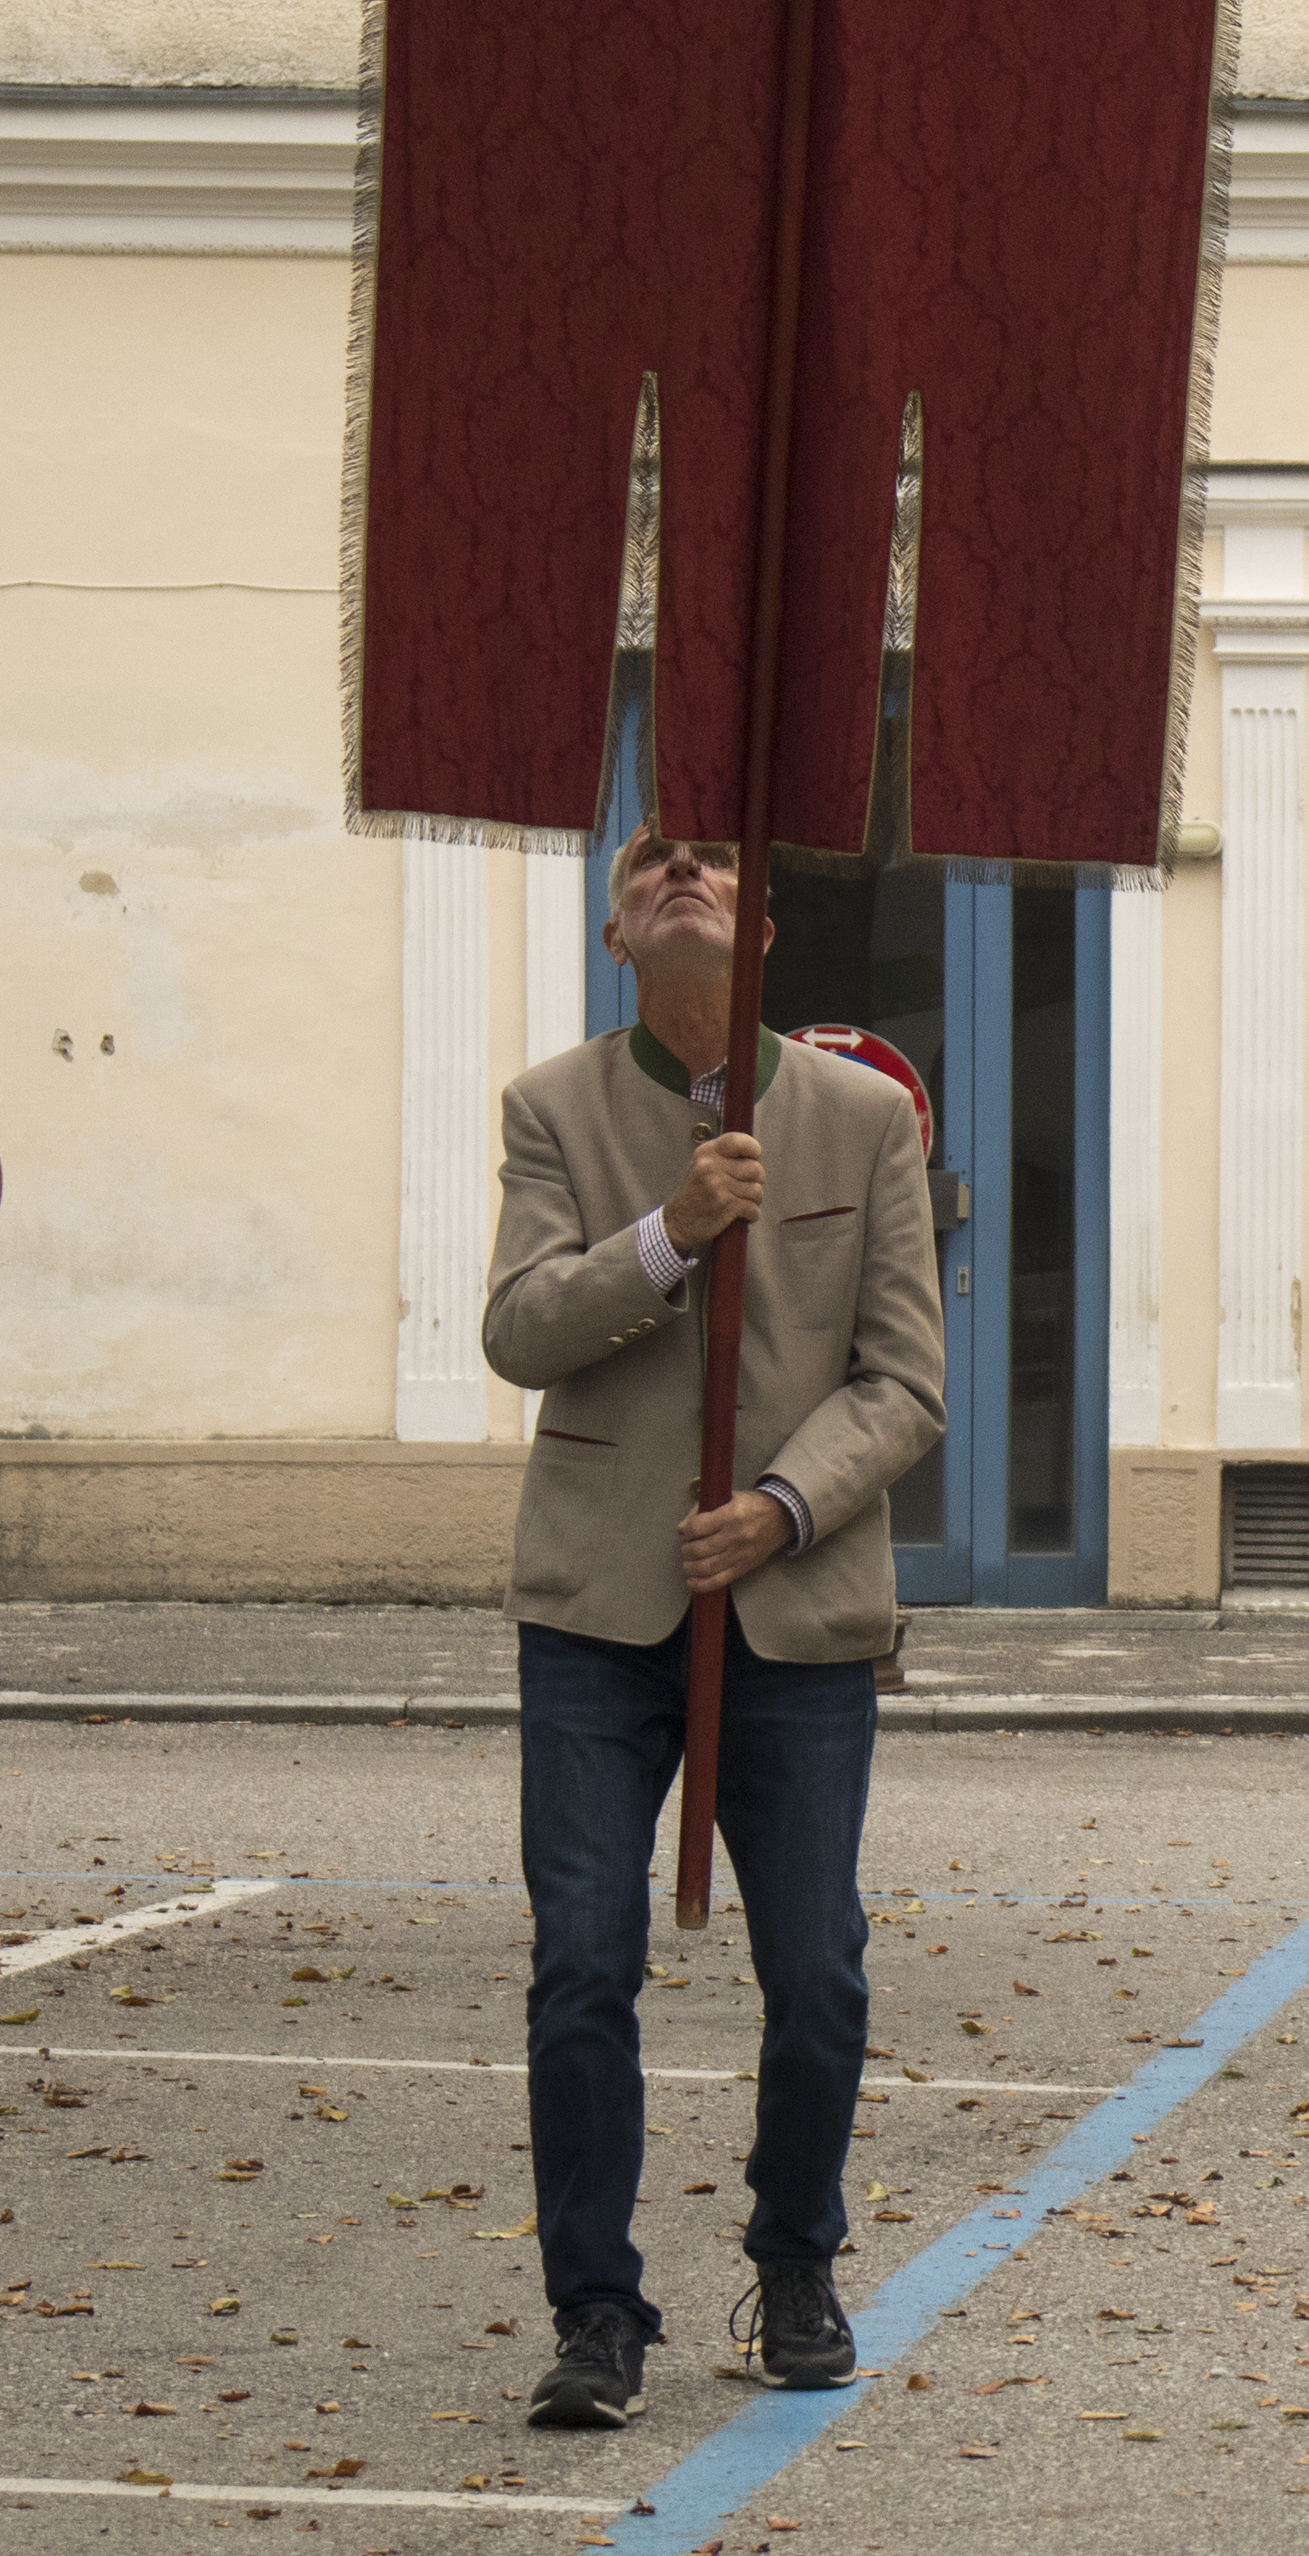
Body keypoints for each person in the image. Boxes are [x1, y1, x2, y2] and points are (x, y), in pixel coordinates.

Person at [479, 827, 945, 2432]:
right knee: (582, 1968)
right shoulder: (553, 1109)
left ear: (761, 930)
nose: (681, 874)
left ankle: (796, 2259)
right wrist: (669, 1232)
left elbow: (904, 1382)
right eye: (649, 863)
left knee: (817, 1971)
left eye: (715, 865)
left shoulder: (865, 1118)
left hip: (796, 1618)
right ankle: (596, 2308)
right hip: (600, 1615)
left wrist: (784, 1508)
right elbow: (519, 1330)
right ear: (619, 934)